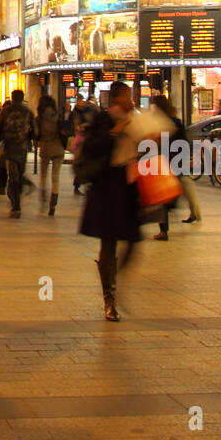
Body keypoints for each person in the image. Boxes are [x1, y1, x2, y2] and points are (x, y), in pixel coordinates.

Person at [78, 80, 160, 320]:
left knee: (134, 241)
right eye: (127, 96)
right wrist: (115, 131)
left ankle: (116, 280)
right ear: (116, 99)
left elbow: (145, 150)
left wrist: (151, 141)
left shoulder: (137, 120)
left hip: (129, 187)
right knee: (109, 243)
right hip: (107, 187)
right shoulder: (103, 120)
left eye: (132, 96)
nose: (131, 100)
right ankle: (109, 298)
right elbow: (91, 148)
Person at [149, 93, 201, 236]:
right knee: (175, 189)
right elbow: (184, 142)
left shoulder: (158, 122)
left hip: (163, 162)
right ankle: (180, 208)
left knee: (163, 196)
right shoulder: (176, 121)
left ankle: (164, 229)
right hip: (176, 161)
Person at [0, 88, 33, 218]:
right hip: (22, 148)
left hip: (9, 148)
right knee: (19, 174)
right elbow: (35, 130)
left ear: (13, 98)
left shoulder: (5, 111)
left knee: (12, 176)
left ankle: (15, 205)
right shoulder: (28, 112)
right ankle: (17, 197)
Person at [35, 94, 65, 216]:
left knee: (43, 176)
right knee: (55, 177)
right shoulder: (58, 115)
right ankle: (53, 204)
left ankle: (43, 198)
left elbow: (36, 133)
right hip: (58, 148)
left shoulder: (39, 118)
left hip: (46, 147)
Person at [70, 92, 97, 194]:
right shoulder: (77, 111)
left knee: (84, 162)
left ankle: (79, 184)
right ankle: (77, 184)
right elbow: (76, 125)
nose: (80, 103)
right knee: (81, 161)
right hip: (81, 139)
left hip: (85, 139)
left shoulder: (86, 110)